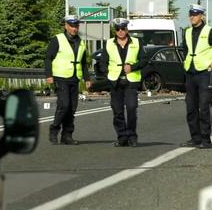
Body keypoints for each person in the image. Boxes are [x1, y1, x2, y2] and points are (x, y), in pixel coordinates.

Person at [180, 4, 212, 149]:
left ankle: (205, 139)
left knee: (203, 107)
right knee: (190, 108)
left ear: (202, 16)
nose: (192, 17)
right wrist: (185, 61)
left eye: (195, 14)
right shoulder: (188, 32)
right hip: (190, 73)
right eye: (190, 14)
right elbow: (185, 48)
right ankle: (195, 138)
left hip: (204, 73)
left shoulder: (210, 32)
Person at [45, 15, 91, 145]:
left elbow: (83, 62)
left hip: (75, 78)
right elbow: (48, 58)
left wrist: (87, 78)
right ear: (66, 26)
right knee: (64, 105)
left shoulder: (81, 42)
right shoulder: (57, 39)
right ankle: (54, 129)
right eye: (71, 26)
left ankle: (67, 135)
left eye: (76, 26)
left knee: (72, 108)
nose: (74, 28)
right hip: (61, 77)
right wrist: (49, 75)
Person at [101, 18, 147, 147]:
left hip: (131, 81)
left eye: (123, 28)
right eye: (117, 29)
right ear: (114, 30)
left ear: (127, 29)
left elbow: (144, 60)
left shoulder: (137, 42)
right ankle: (122, 137)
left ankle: (132, 136)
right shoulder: (109, 43)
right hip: (115, 81)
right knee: (117, 110)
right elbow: (103, 61)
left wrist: (132, 67)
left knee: (132, 108)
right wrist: (107, 74)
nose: (120, 31)